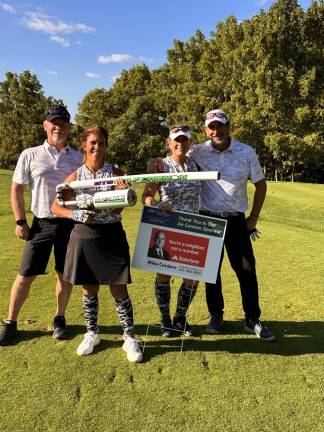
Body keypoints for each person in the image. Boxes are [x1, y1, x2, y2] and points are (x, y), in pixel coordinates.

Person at [51, 125, 142, 362]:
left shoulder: (116, 173)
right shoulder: (75, 176)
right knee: (88, 288)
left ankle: (130, 337)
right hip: (84, 235)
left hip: (111, 234)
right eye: (92, 142)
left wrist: (123, 195)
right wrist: (74, 215)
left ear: (106, 145)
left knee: (119, 288)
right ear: (84, 144)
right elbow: (55, 206)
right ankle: (92, 333)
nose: (97, 147)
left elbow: (120, 207)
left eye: (101, 143)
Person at [188, 109, 275, 341]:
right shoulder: (196, 152)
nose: (216, 131)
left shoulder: (246, 152)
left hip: (236, 220)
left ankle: (252, 318)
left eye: (220, 126)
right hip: (208, 219)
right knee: (211, 273)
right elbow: (173, 160)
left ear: (228, 127)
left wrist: (254, 217)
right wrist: (155, 162)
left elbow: (261, 185)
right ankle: (216, 315)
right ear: (206, 130)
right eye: (211, 127)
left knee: (246, 269)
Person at [0, 105, 83, 346]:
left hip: (69, 224)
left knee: (64, 275)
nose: (59, 126)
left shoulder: (77, 158)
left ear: (69, 127)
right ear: (45, 126)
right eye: (53, 122)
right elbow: (16, 188)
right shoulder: (30, 154)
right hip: (40, 225)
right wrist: (20, 221)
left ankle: (60, 318)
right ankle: (10, 322)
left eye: (64, 123)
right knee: (26, 275)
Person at [142, 125, 201, 337]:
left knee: (192, 277)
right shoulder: (160, 166)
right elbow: (146, 197)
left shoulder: (196, 165)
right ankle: (165, 319)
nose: (180, 144)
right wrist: (157, 204)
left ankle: (180, 318)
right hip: (167, 226)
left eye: (184, 140)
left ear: (190, 143)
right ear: (169, 143)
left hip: (192, 227)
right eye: (176, 140)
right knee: (164, 275)